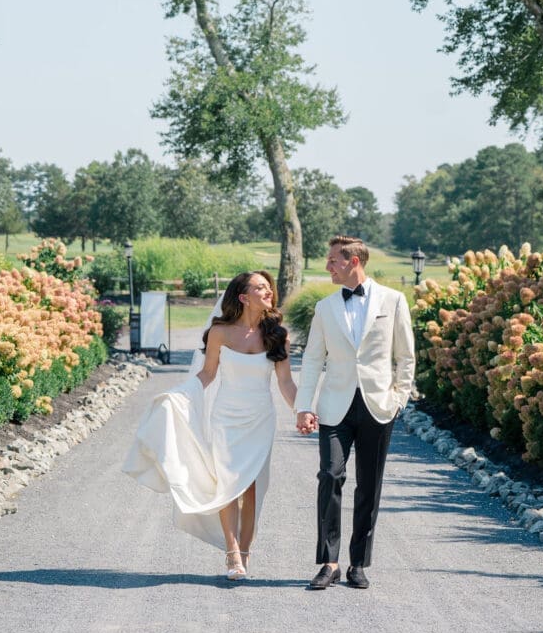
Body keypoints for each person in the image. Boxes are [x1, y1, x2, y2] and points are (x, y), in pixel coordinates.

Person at [123, 270, 297, 579]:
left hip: (260, 418)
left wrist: (303, 410)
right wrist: (181, 394)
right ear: (243, 297)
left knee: (251, 487)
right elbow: (208, 373)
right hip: (227, 417)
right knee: (229, 483)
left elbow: (285, 382)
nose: (268, 291)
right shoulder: (220, 333)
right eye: (260, 287)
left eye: (268, 287)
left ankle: (245, 552)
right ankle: (232, 555)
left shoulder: (277, 334)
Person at [295, 236, 415, 590]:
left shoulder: (393, 301)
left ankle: (358, 563)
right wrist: (304, 406)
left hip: (378, 406)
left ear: (354, 262)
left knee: (369, 486)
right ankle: (329, 563)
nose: (328, 266)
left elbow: (405, 356)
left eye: (333, 260)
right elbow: (314, 359)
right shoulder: (324, 307)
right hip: (334, 407)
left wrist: (399, 399)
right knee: (330, 476)